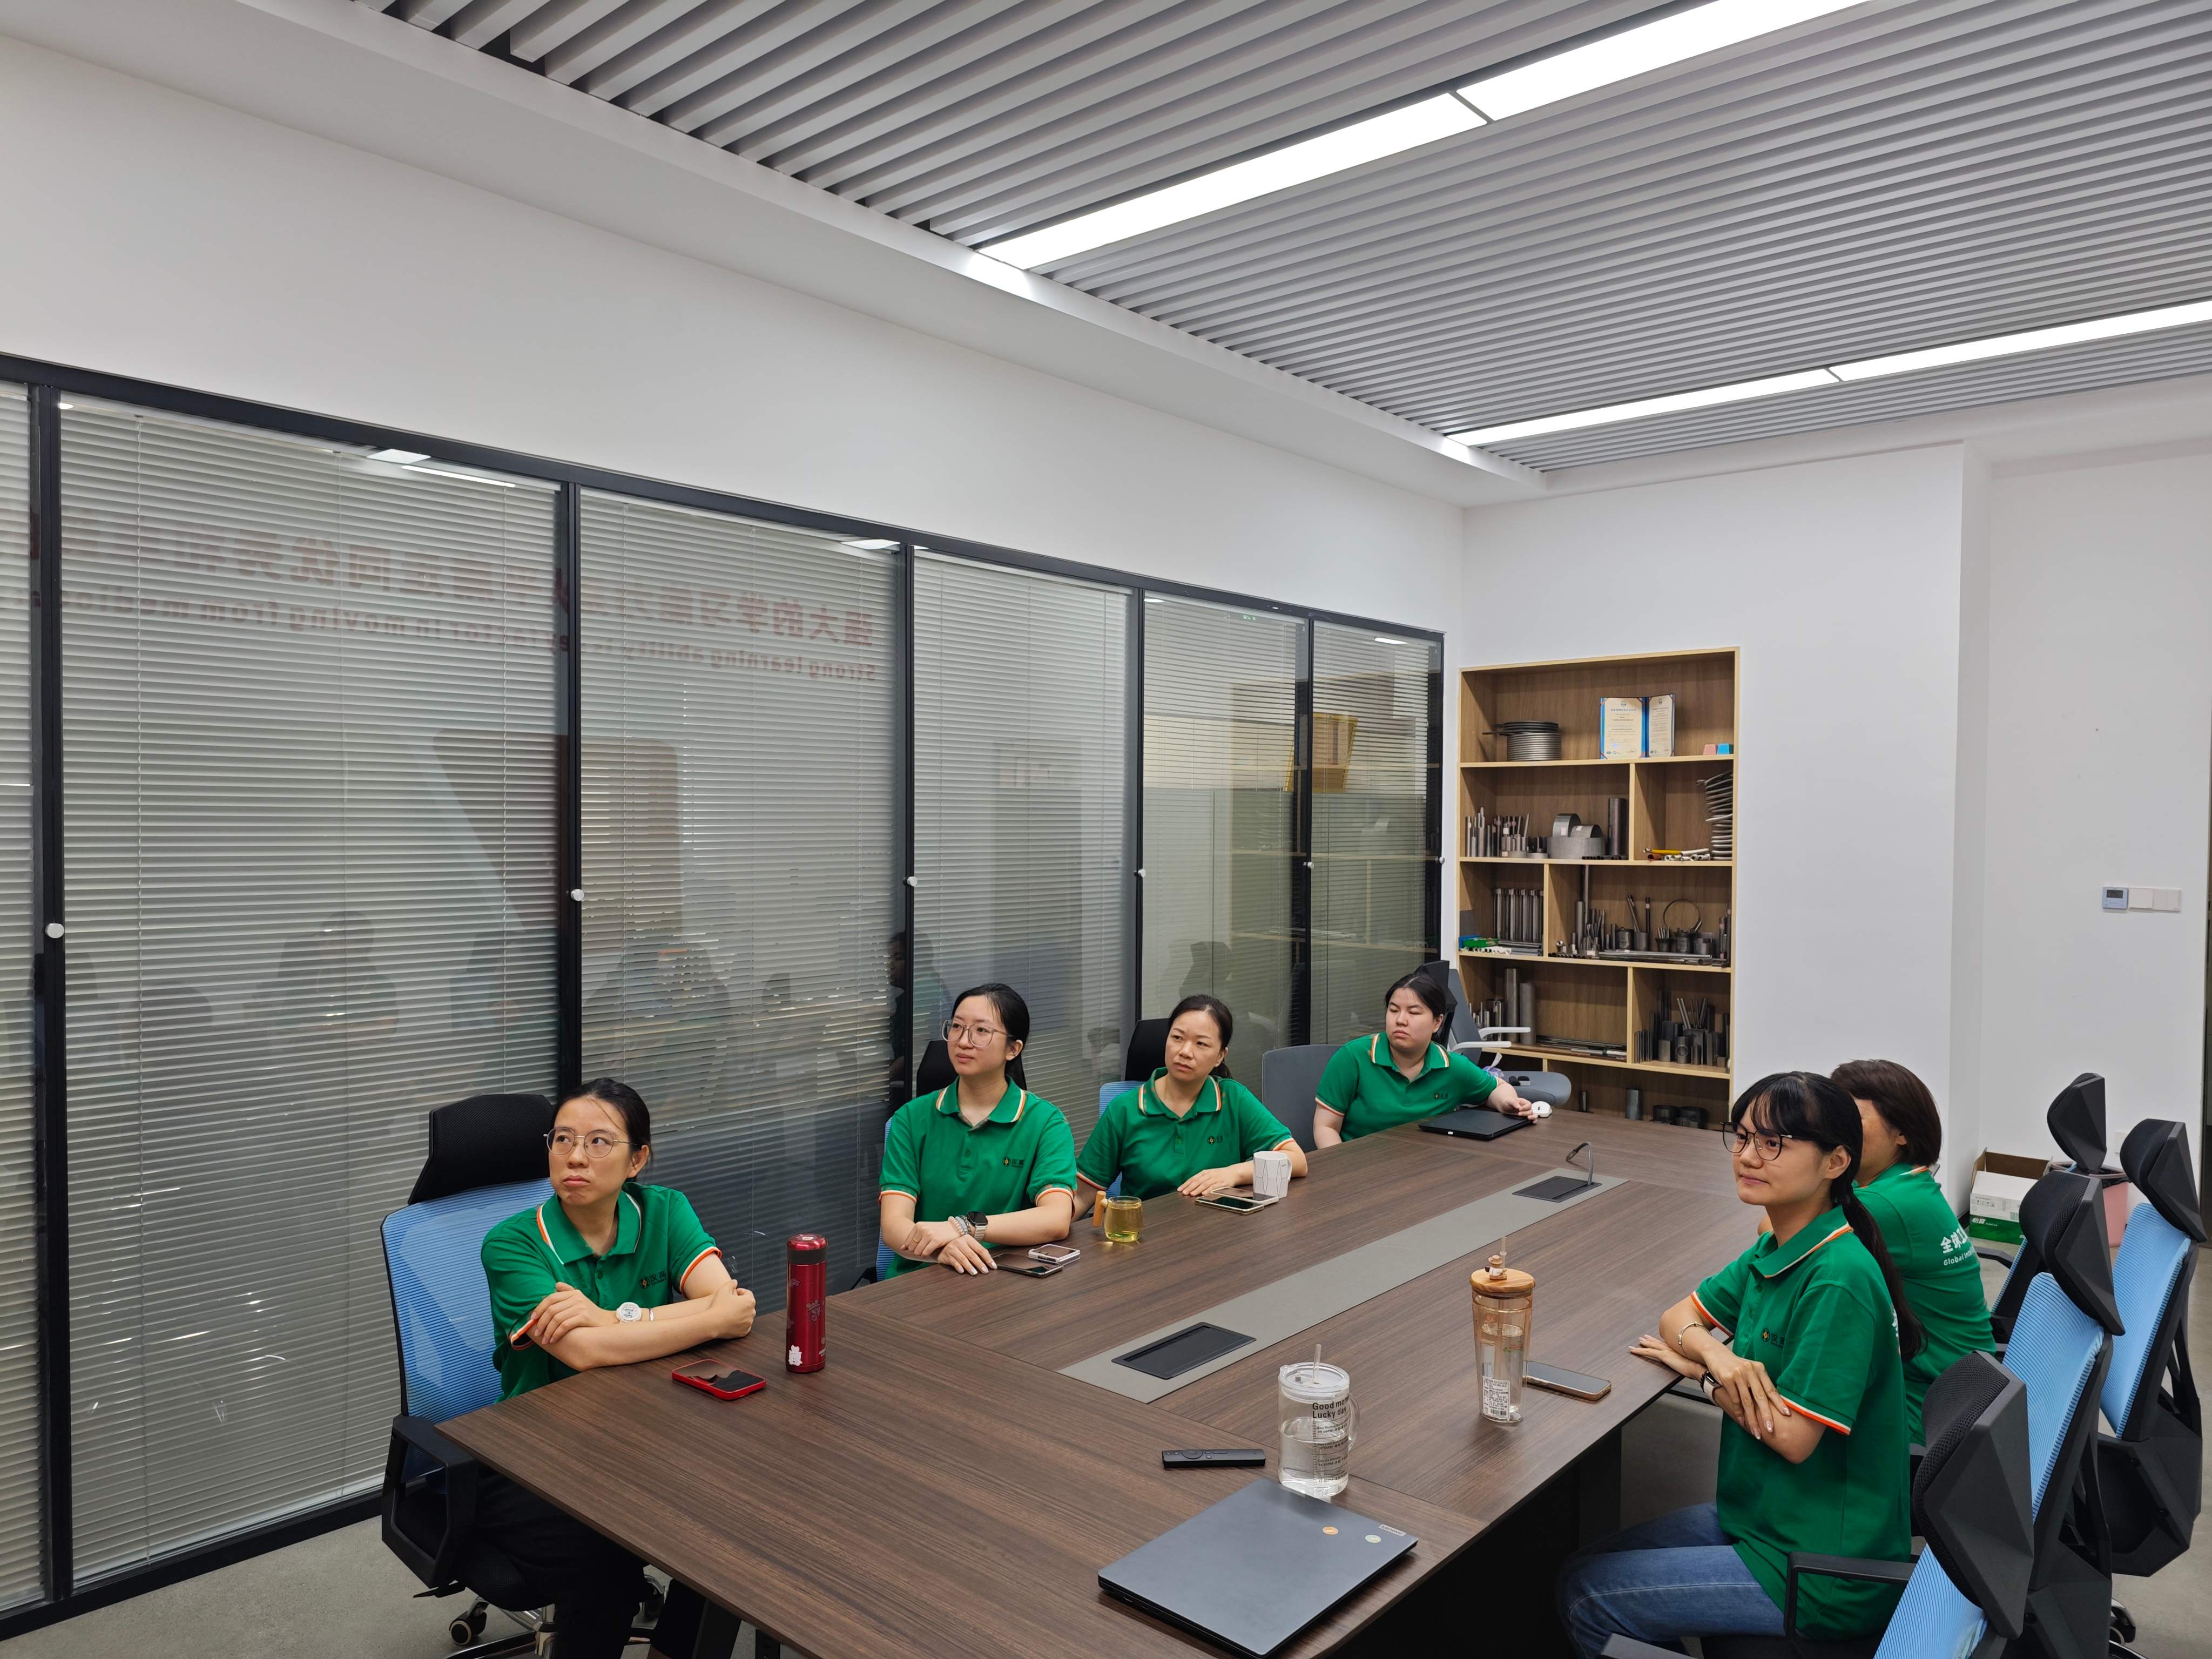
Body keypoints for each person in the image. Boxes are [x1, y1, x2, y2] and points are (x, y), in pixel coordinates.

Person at [1559, 1072, 1922, 1657]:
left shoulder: (1838, 1279)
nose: (1749, 1156)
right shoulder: (1778, 1246)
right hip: (1758, 1518)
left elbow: (1794, 1438)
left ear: (1835, 1162)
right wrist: (1716, 1354)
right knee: (1582, 1562)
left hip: (1817, 1568)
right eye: (1745, 1136)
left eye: (1774, 1143)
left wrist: (1701, 1375)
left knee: (1587, 1596)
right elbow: (1677, 1317)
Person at [478, 1080, 758, 1659]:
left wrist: (614, 1316)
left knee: (733, 1526)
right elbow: (586, 1353)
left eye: (599, 1142)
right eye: (563, 1140)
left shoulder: (664, 1210)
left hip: (645, 1434)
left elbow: (732, 1309)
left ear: (637, 1160)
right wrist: (700, 1317)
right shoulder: (511, 1244)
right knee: (605, 1578)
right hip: (535, 1455)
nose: (576, 1157)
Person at [1832, 1057, 1996, 1443]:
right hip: (1963, 1389)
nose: (1836, 1130)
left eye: (1853, 1118)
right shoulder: (1908, 1183)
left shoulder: (1887, 1206)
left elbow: (1783, 1230)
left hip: (1928, 1410)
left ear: (1901, 1132)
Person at [878, 983, 1078, 1274]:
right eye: (957, 1027)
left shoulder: (1046, 1122)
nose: (963, 1041)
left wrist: (965, 1227)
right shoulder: (911, 1118)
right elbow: (894, 1225)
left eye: (981, 1031)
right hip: (921, 1277)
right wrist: (943, 1250)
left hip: (1002, 1276)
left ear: (1013, 1049)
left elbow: (1056, 1219)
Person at [1076, 995, 1309, 1202]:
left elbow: (1296, 1160)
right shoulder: (1125, 1110)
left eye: (1201, 1044)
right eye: (1178, 1038)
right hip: (1147, 1231)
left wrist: (1233, 1173)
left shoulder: (1232, 1098)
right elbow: (1083, 1194)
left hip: (1221, 1228)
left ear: (1220, 1056)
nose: (1185, 1052)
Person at [1312, 968, 1530, 1145]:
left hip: (1426, 1169)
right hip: (1361, 1168)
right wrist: (1342, 1171)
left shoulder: (1451, 1066)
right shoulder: (1354, 1057)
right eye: (1394, 1010)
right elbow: (1325, 1127)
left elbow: (1497, 1088)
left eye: (1413, 1013)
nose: (1400, 1020)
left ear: (1437, 1022)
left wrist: (1508, 1103)